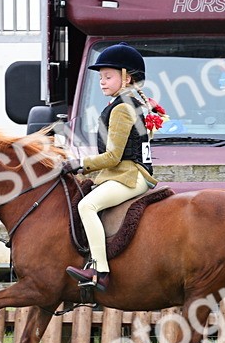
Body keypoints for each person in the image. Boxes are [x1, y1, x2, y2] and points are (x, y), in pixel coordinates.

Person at [62, 43, 163, 292]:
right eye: (100, 77)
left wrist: (79, 164)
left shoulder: (122, 108)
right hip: (129, 172)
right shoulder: (135, 102)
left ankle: (99, 270)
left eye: (108, 76)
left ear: (127, 77)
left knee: (87, 206)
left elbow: (113, 157)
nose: (102, 82)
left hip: (128, 175)